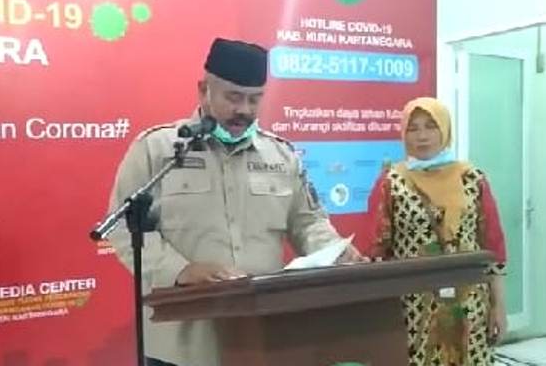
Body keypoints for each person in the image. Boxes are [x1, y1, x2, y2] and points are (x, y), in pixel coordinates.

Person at [106, 37, 364, 366]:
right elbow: (122, 228)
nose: (245, 110)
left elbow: (308, 221)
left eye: (255, 99)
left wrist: (334, 250)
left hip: (260, 337)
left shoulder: (282, 155)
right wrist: (181, 270)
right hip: (182, 344)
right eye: (234, 97)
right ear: (204, 90)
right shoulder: (157, 149)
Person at [363, 97, 508, 365]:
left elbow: (493, 248)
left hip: (470, 304)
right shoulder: (392, 182)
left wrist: (499, 306)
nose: (422, 136)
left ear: (445, 129)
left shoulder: (471, 178)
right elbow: (377, 250)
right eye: (413, 128)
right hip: (413, 307)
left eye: (431, 126)